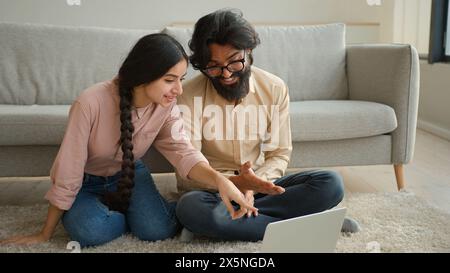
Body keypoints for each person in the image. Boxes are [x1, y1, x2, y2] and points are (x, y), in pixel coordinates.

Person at [0, 33, 284, 248]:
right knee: (89, 232)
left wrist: (221, 180)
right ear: (142, 76)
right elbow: (69, 168)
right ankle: (121, 212)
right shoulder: (90, 102)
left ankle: (136, 210)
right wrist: (44, 233)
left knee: (156, 231)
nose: (178, 89)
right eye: (169, 80)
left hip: (129, 175)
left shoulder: (166, 106)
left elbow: (183, 151)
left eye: (181, 79)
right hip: (86, 182)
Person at [175, 9, 360, 242]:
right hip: (213, 192)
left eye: (234, 62)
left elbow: (280, 153)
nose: (226, 74)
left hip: (262, 190)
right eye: (214, 66)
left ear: (249, 51)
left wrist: (253, 185)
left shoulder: (274, 88)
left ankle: (228, 224)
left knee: (330, 183)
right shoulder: (187, 96)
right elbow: (186, 172)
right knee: (190, 207)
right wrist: (233, 184)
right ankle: (310, 226)